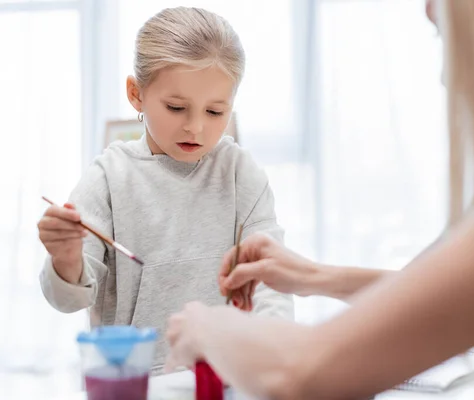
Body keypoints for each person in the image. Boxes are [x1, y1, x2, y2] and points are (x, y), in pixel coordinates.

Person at [164, 0, 474, 398]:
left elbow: (303, 371)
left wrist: (209, 327)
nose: (427, 7)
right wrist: (317, 275)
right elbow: (457, 296)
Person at [36, 7, 293, 373]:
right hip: (133, 385)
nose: (196, 128)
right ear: (136, 94)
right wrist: (65, 259)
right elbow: (66, 300)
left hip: (226, 377)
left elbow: (272, 281)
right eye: (176, 107)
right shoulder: (107, 178)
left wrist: (279, 356)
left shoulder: (240, 173)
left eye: (215, 112)